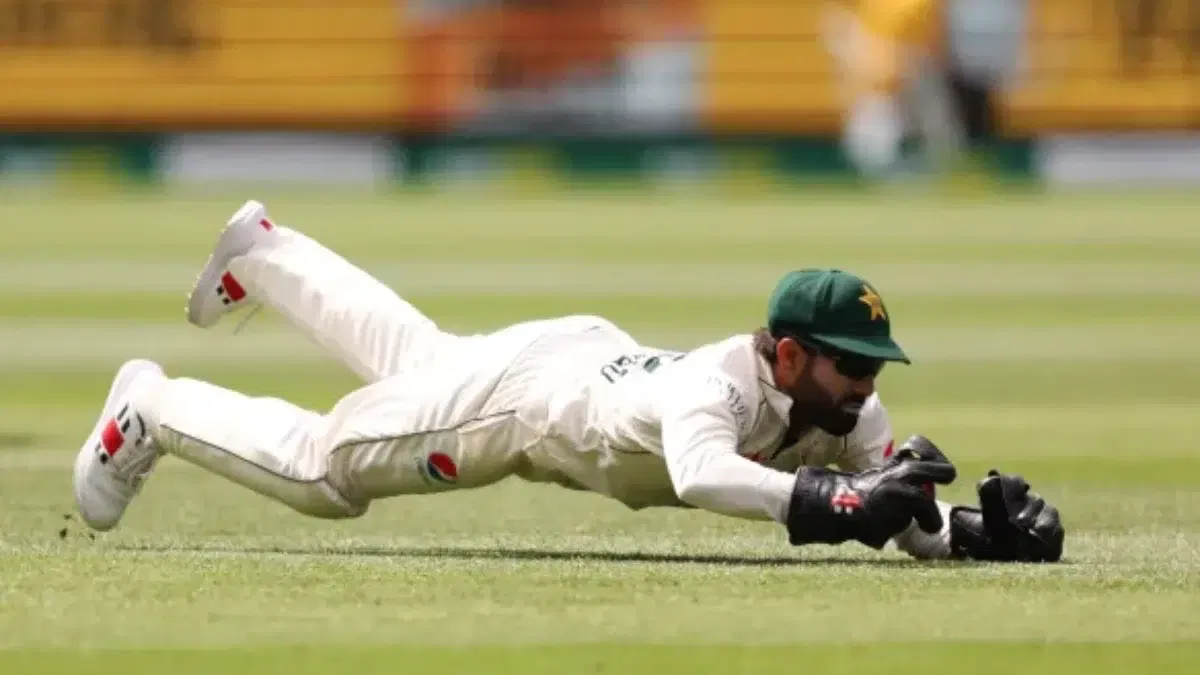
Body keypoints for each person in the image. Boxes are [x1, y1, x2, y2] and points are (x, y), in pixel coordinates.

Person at [72, 200, 1063, 562]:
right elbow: (702, 475)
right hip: (521, 409)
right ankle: (149, 405)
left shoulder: (847, 410)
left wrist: (969, 533)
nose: (864, 387)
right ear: (791, 356)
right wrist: (835, 500)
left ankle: (270, 253)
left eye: (874, 369)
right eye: (851, 365)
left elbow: (889, 511)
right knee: (325, 472)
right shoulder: (713, 393)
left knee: (420, 360)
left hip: (574, 357)